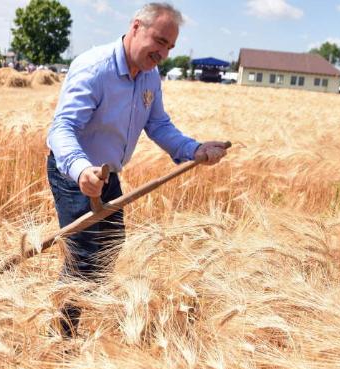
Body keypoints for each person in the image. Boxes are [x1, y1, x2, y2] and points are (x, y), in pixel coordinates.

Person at [46, 2, 229, 338]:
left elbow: (158, 124)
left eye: (170, 46)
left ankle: (81, 313)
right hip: (76, 173)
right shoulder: (95, 68)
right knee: (85, 253)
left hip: (108, 174)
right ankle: (62, 336)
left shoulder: (149, 76)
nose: (163, 52)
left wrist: (194, 149)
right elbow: (62, 128)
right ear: (135, 28)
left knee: (112, 245)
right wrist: (82, 169)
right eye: (159, 41)